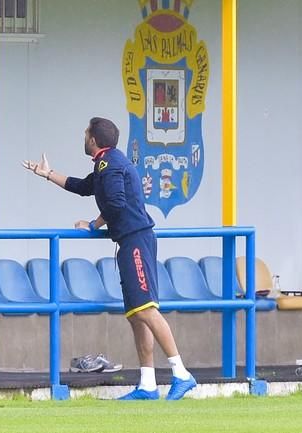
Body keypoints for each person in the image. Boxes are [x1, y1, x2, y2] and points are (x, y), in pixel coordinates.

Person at [22, 117, 197, 400]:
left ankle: (182, 374)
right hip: (128, 242)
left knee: (147, 310)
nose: (83, 137)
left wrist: (93, 224)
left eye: (85, 133)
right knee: (137, 315)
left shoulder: (110, 164)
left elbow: (116, 204)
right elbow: (82, 186)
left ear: (94, 140)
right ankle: (147, 385)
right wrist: (48, 173)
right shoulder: (106, 162)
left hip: (136, 240)